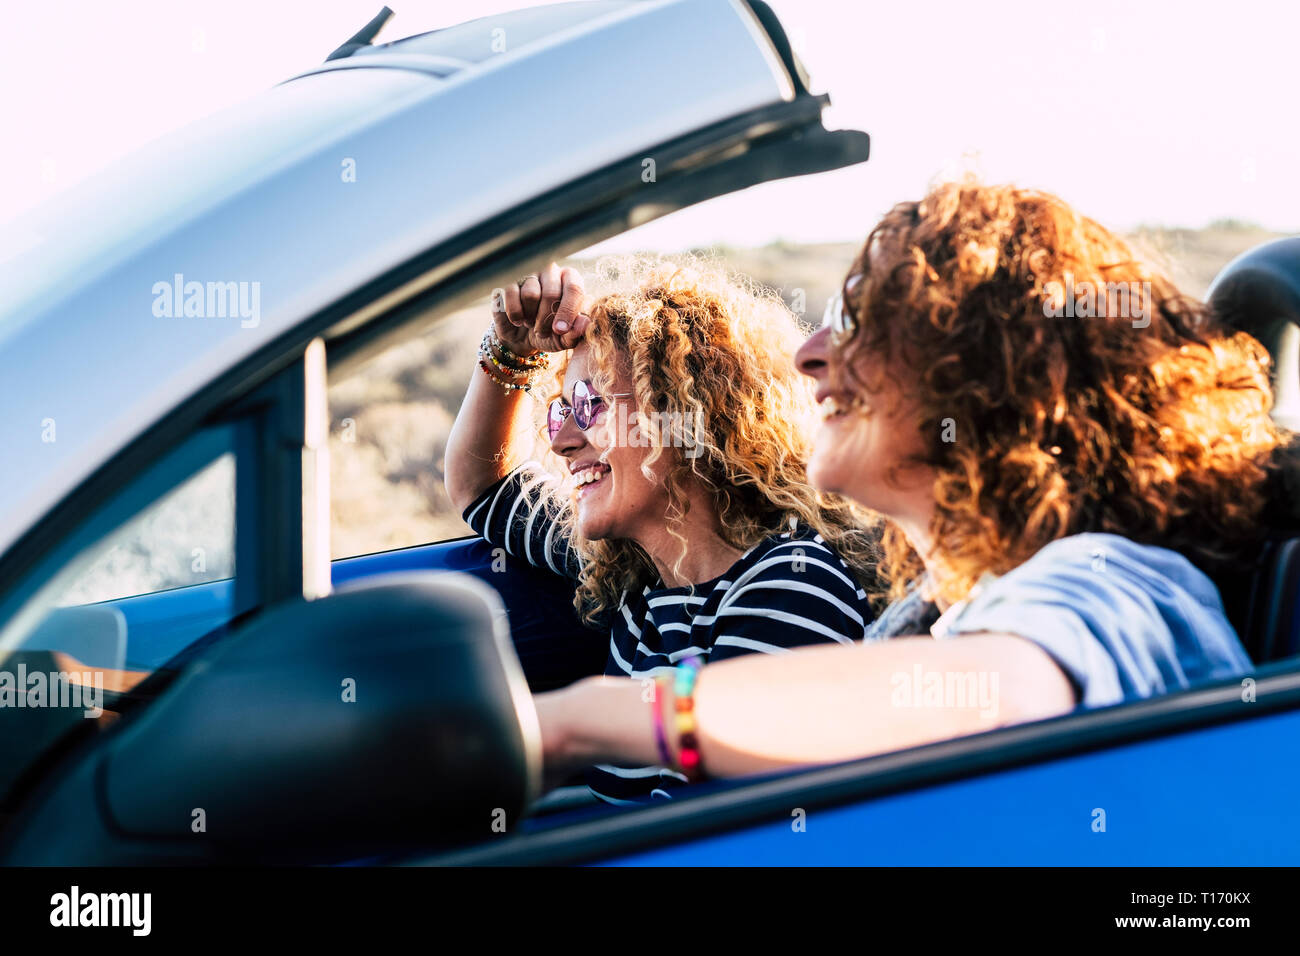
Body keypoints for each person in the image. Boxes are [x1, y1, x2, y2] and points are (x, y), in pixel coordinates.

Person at [532, 182, 1287, 784]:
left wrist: (580, 722)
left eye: (857, 320)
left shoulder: (1110, 582)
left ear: (988, 375)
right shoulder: (942, 609)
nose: (811, 355)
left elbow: (1005, 692)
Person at [445, 259, 878, 802]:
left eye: (591, 404)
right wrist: (512, 353)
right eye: (562, 411)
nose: (562, 441)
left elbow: (710, 837)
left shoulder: (791, 585)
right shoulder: (635, 568)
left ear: (686, 417)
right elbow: (480, 486)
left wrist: (570, 722)